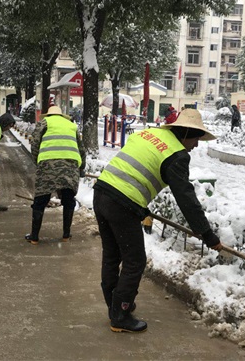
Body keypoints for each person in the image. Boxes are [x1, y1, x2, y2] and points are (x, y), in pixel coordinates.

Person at [93, 109, 222, 333]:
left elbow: (134, 168)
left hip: (102, 193)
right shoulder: (177, 155)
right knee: (135, 261)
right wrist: (207, 235)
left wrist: (140, 206)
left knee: (112, 255)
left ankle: (116, 306)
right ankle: (121, 314)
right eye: (196, 139)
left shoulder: (145, 135)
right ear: (186, 134)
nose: (196, 145)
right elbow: (186, 198)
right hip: (121, 204)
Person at [25, 106, 86, 245]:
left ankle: (34, 237)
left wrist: (38, 162)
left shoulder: (44, 123)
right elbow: (81, 149)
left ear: (48, 115)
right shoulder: (72, 126)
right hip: (70, 167)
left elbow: (35, 145)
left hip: (48, 166)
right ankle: (66, 235)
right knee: (68, 200)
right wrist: (81, 168)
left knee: (41, 199)